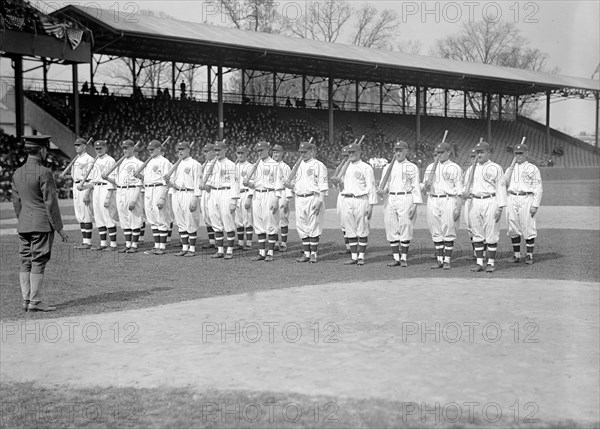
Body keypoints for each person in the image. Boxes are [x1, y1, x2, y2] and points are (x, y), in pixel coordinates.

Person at [12, 135, 68, 312]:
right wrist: (59, 228)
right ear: (42, 150)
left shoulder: (17, 172)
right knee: (38, 261)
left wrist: (24, 219)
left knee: (25, 261)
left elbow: (16, 203)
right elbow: (50, 203)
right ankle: (35, 301)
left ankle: (26, 300)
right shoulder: (44, 172)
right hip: (41, 224)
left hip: (24, 224)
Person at [462, 141, 507, 273]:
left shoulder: (496, 168)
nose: (479, 155)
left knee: (491, 232)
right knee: (477, 233)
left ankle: (491, 263)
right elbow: (465, 187)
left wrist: (500, 207)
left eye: (482, 152)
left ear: (488, 152)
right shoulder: (471, 169)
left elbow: (501, 188)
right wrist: (464, 192)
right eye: (477, 152)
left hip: (491, 200)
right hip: (474, 201)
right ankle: (479, 263)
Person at [378, 140, 423, 267]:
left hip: (405, 198)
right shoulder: (387, 167)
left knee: (405, 226)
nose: (398, 153)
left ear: (406, 151)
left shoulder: (412, 167)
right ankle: (396, 258)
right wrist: (382, 191)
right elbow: (385, 185)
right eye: (396, 150)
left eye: (400, 150)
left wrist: (415, 205)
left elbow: (415, 187)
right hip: (391, 198)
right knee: (391, 227)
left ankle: (404, 258)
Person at [422, 142, 463, 270]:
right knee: (435, 229)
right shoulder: (430, 168)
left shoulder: (454, 167)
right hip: (433, 199)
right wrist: (426, 186)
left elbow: (459, 189)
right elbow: (424, 190)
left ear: (448, 153)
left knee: (448, 229)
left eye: (442, 153)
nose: (439, 155)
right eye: (437, 153)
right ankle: (439, 260)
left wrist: (458, 207)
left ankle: (447, 260)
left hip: (448, 199)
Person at [288, 141, 329, 263]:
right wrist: (289, 185)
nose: (303, 154)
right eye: (301, 152)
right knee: (301, 226)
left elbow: (323, 185)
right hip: (300, 198)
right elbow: (295, 184)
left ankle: (314, 254)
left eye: (305, 152)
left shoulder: (319, 165)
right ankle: (306, 254)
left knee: (313, 225)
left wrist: (320, 201)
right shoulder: (297, 166)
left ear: (311, 152)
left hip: (313, 197)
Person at [243, 141, 283, 262]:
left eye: (261, 150)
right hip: (257, 195)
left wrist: (276, 199)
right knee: (259, 224)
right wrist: (248, 184)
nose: (259, 152)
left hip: (269, 194)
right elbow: (254, 183)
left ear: (267, 150)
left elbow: (278, 184)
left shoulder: (275, 165)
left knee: (270, 222)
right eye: (258, 151)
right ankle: (261, 252)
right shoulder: (256, 165)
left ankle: (270, 252)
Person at [503, 143, 543, 265]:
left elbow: (538, 187)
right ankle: (516, 255)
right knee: (512, 226)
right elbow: (503, 184)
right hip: (512, 197)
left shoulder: (532, 168)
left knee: (528, 225)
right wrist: (507, 175)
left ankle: (529, 256)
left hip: (526, 198)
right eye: (516, 153)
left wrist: (535, 205)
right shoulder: (510, 168)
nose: (518, 155)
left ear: (526, 154)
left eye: (521, 153)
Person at [339, 142, 378, 265]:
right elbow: (342, 186)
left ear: (359, 152)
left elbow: (371, 187)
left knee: (362, 228)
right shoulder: (345, 167)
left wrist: (371, 205)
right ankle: (354, 256)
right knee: (350, 229)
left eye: (353, 152)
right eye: (349, 152)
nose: (351, 154)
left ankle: (361, 256)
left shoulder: (366, 167)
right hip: (347, 199)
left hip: (361, 199)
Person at [103, 140, 144, 253]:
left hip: (132, 190)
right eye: (123, 148)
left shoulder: (139, 163)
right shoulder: (119, 163)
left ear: (132, 148)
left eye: (127, 148)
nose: (125, 150)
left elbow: (140, 183)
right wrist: (107, 178)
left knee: (134, 217)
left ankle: (134, 245)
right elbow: (116, 180)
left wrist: (134, 199)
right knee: (124, 218)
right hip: (120, 191)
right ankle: (128, 244)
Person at [165, 141, 202, 256]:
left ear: (188, 150)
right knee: (180, 222)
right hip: (177, 193)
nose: (180, 151)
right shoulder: (176, 164)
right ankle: (184, 248)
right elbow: (173, 183)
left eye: (182, 149)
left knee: (190, 221)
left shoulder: (195, 164)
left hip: (189, 193)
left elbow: (197, 182)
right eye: (178, 150)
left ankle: (192, 249)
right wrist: (168, 182)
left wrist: (195, 198)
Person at [204, 140, 240, 259]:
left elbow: (235, 183)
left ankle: (229, 250)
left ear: (225, 150)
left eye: (219, 150)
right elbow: (208, 182)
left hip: (226, 192)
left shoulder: (230, 164)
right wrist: (206, 185)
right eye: (215, 150)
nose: (217, 152)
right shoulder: (211, 164)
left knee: (227, 221)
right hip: (213, 193)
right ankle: (220, 250)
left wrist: (234, 200)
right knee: (215, 221)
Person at [136, 139, 173, 255]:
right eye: (149, 149)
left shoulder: (164, 162)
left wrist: (162, 196)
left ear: (159, 149)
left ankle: (162, 247)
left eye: (152, 149)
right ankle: (156, 245)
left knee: (160, 217)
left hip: (158, 189)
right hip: (148, 190)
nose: (150, 151)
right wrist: (140, 177)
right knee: (152, 218)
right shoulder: (149, 162)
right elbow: (147, 179)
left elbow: (167, 180)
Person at [86, 140, 119, 250]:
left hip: (106, 188)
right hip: (96, 188)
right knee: (99, 216)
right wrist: (85, 187)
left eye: (100, 148)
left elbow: (114, 179)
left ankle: (113, 244)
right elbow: (93, 179)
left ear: (106, 148)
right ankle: (103, 243)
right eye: (96, 148)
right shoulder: (95, 161)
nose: (98, 150)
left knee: (108, 215)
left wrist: (109, 195)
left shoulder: (110, 160)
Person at [70, 138, 95, 249]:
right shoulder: (76, 159)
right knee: (79, 215)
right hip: (76, 186)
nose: (76, 147)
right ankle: (84, 241)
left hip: (84, 186)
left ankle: (87, 242)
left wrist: (87, 192)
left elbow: (91, 177)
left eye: (79, 145)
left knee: (86, 214)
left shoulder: (89, 159)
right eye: (75, 145)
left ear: (84, 146)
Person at [271, 144, 292, 252]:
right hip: (272, 194)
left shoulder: (285, 167)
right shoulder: (270, 166)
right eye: (274, 152)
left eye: (277, 152)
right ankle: (274, 242)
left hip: (283, 193)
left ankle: (283, 243)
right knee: (272, 218)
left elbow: (288, 183)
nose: (275, 154)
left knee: (283, 219)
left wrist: (287, 199)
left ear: (282, 153)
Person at [234, 146, 254, 250]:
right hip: (237, 194)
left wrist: (250, 197)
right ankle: (240, 242)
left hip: (246, 193)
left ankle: (249, 243)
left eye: (242, 153)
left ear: (246, 154)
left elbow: (253, 182)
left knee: (248, 219)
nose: (240, 155)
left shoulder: (250, 166)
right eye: (238, 153)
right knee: (238, 220)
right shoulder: (234, 166)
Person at [200, 143, 217, 249]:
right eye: (204, 151)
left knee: (214, 217)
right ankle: (212, 241)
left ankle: (218, 242)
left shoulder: (217, 164)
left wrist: (206, 185)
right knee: (206, 217)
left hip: (213, 193)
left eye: (206, 152)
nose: (204, 154)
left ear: (213, 152)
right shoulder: (205, 164)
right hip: (204, 194)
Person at [335, 145, 351, 254]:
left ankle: (357, 246)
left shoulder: (355, 167)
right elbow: (339, 187)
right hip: (342, 196)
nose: (345, 158)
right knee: (343, 222)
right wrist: (338, 182)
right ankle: (348, 247)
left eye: (347, 155)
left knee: (353, 222)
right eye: (344, 156)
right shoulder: (340, 168)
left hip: (352, 197)